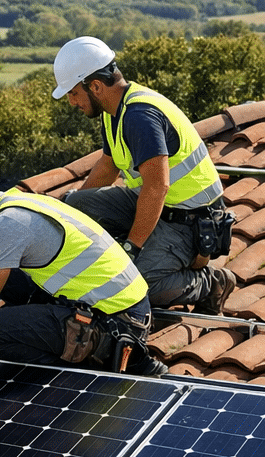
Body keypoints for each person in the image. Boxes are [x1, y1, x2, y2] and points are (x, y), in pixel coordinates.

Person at [0, 159, 165, 391]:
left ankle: (81, 376)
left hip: (118, 326)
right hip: (130, 309)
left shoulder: (3, 226)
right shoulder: (19, 202)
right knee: (6, 279)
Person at [51, 36, 234, 313]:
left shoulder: (140, 116)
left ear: (96, 86)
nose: (72, 102)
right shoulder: (113, 111)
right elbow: (108, 165)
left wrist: (132, 248)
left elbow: (157, 187)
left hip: (189, 221)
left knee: (138, 286)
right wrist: (67, 213)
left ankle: (211, 282)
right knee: (76, 204)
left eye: (73, 93)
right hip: (156, 207)